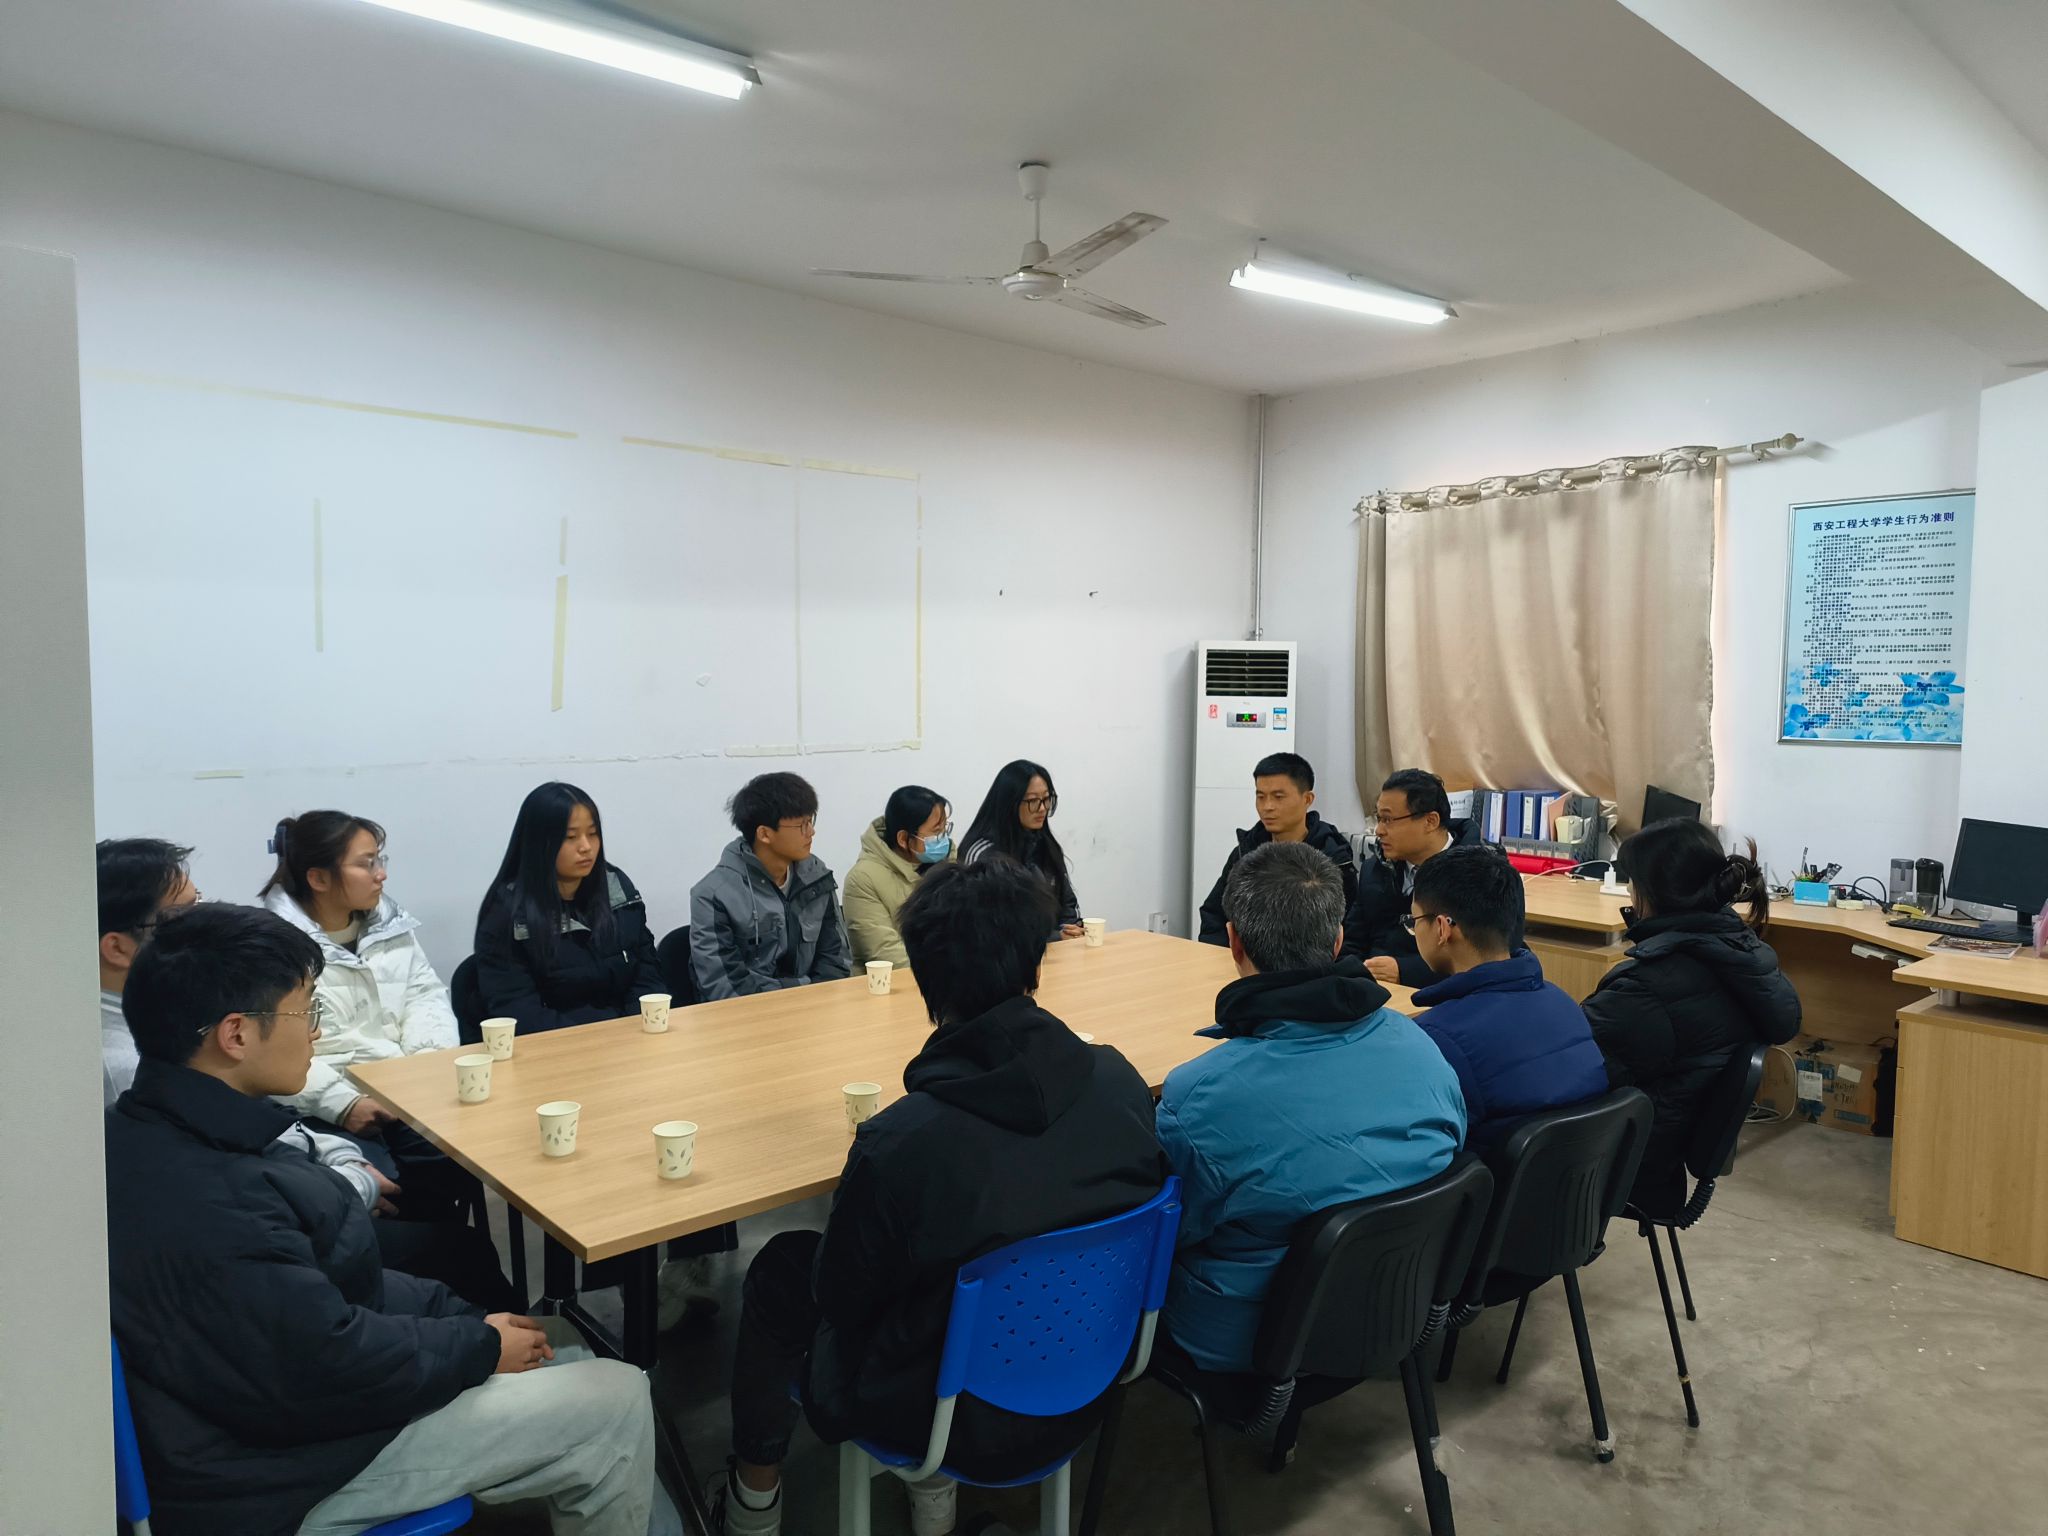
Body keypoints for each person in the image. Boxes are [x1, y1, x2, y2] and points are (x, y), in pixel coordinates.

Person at [105, 902, 675, 1536]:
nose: (315, 1032)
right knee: (617, 1395)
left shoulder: (165, 1126)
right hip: (272, 1474)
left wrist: (463, 1320)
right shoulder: (216, 1196)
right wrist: (478, 1345)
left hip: (275, 1415)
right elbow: (325, 1366)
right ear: (235, 1034)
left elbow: (340, 1290)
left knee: (554, 1339)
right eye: (306, 1012)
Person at [707, 857, 1166, 1536]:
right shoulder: (1119, 1081)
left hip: (944, 1415)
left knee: (783, 1268)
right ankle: (934, 1499)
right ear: (1035, 964)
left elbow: (842, 1300)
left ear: (924, 978)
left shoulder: (902, 1142)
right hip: (1092, 1379)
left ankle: (753, 1503)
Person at [100, 841, 515, 1310]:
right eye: (181, 913)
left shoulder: (382, 925)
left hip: (317, 1162)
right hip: (303, 1196)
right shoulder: (132, 1064)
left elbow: (250, 1121)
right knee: (448, 1246)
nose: (380, 874)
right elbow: (321, 1326)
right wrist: (347, 1175)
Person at [1158, 841, 1466, 1374]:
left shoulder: (1198, 1096)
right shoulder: (1422, 1046)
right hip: (1400, 1305)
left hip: (1249, 1340)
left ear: (1233, 941)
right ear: (1339, 938)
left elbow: (1168, 1232)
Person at [259, 811, 481, 1221]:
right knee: (388, 1186)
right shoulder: (271, 947)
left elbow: (425, 996)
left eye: (380, 860)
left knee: (466, 1156)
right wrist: (344, 1104)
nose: (381, 874)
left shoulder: (390, 926)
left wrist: (421, 1070)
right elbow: (271, 1052)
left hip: (405, 1092)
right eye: (366, 863)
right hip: (325, 1105)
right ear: (318, 878)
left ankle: (447, 1249)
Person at [1583, 819, 1801, 1215]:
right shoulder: (1741, 954)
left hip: (1626, 1160)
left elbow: (1573, 1069)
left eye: (1633, 882)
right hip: (1664, 1150)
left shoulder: (1650, 986)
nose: (1629, 891)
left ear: (1651, 892)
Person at [1410, 845, 1609, 1151]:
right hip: (1581, 1177)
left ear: (1442, 928)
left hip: (1494, 1179)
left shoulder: (1438, 1037)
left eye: (1414, 921)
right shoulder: (1564, 1002)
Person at [475, 782, 665, 1034]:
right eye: (570, 837)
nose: (586, 846)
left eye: (593, 834)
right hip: (557, 1047)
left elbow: (647, 975)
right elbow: (518, 1010)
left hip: (631, 1038)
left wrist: (636, 1030)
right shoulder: (507, 914)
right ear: (540, 842)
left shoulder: (617, 890)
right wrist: (596, 1041)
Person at [690, 772, 854, 1001]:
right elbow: (725, 986)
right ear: (765, 834)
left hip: (816, 1006)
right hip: (749, 1014)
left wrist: (814, 1001)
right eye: (802, 825)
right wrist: (798, 994)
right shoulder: (714, 895)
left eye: (811, 821)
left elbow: (836, 960)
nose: (811, 832)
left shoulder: (815, 876)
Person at [1197, 752, 1358, 945]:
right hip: (1243, 959)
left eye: (1278, 797)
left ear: (1307, 799)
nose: (1267, 807)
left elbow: (1348, 930)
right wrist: (1223, 954)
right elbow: (1214, 915)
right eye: (1260, 797)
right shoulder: (1246, 852)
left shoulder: (1334, 858)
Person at [1341, 767, 1483, 986]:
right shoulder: (1375, 870)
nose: (1379, 830)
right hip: (1374, 991)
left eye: (1388, 820)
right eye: (1379, 818)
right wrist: (1357, 975)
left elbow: (1485, 959)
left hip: (1445, 996)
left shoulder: (1480, 875)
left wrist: (1405, 972)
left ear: (1430, 821)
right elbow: (1351, 943)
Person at [97, 837, 200, 1106]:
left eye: (198, 906)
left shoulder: (167, 1010)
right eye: (180, 917)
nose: (204, 925)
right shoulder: (126, 1071)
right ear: (117, 949)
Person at [959, 759, 1082, 939]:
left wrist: (1070, 930)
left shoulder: (1044, 843)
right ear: (1010, 803)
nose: (1042, 808)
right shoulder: (983, 853)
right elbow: (986, 927)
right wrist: (1055, 938)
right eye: (1033, 801)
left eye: (1046, 799)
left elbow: (1067, 902)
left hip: (1054, 949)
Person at [842, 785, 952, 969]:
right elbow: (886, 953)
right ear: (903, 839)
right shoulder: (862, 879)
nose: (943, 839)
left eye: (945, 829)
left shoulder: (948, 864)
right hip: (893, 981)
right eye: (935, 832)